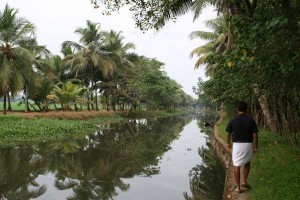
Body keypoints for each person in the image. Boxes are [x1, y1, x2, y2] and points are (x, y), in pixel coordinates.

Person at [226, 101, 258, 193]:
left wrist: (228, 143)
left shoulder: (233, 120)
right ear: (246, 109)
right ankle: (244, 181)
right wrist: (256, 147)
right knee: (247, 162)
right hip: (248, 144)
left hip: (237, 145)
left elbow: (228, 133)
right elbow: (255, 135)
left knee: (237, 164)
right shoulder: (251, 120)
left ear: (237, 109)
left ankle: (238, 187)